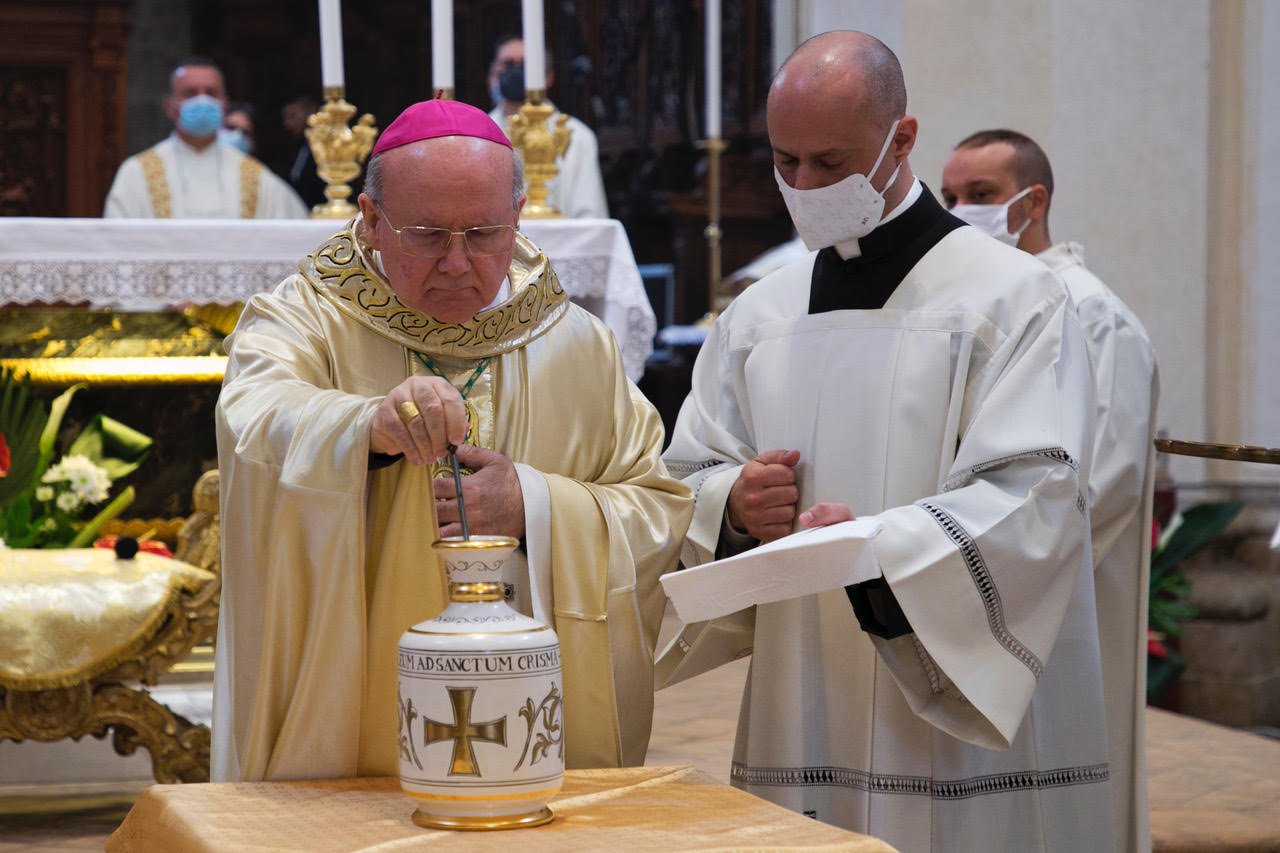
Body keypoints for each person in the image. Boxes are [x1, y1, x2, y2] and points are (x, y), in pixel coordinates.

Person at [658, 31, 1113, 850]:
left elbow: (1035, 497)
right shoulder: (761, 314)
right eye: (786, 161)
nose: (804, 186)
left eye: (830, 163)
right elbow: (685, 474)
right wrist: (734, 503)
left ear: (902, 139)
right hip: (803, 689)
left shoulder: (1013, 299)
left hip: (947, 710)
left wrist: (875, 550)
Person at [212, 97, 691, 782]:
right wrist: (363, 426)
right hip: (354, 715)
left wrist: (533, 504)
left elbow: (655, 505)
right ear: (371, 220)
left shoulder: (576, 344)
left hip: (528, 709)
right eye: (428, 235)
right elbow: (255, 417)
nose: (459, 263)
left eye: (486, 233)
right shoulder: (304, 317)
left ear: (519, 214)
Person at [942, 128, 1159, 852]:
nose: (958, 211)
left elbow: (1108, 481)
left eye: (980, 194)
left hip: (1056, 602)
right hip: (990, 593)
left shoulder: (1094, 315)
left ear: (1033, 202)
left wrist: (995, 576)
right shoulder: (982, 305)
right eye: (949, 196)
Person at [104, 58, 307, 219]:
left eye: (211, 93)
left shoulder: (255, 176)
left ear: (224, 104)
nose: (202, 100)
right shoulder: (136, 174)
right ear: (169, 107)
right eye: (190, 93)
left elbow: (295, 233)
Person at [487, 36, 608, 219]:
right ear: (492, 76)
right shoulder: (477, 136)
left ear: (548, 77)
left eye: (524, 65)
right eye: (507, 64)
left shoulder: (576, 136)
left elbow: (590, 215)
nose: (515, 72)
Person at [281, 94, 329, 209]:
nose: (287, 124)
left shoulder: (326, 147)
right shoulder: (298, 147)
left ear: (311, 111)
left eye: (292, 116)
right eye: (285, 118)